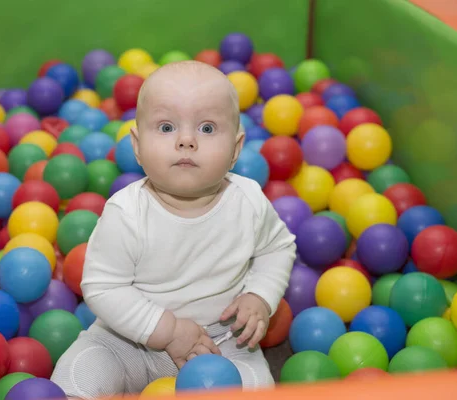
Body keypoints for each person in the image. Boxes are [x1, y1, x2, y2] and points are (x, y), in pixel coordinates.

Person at [51, 60, 297, 399]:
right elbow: (103, 286)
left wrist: (260, 295)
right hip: (127, 344)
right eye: (166, 127)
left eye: (207, 129)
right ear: (136, 146)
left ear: (236, 150)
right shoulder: (127, 212)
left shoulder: (249, 201)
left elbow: (278, 247)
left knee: (255, 386)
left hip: (221, 344)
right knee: (77, 374)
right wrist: (166, 331)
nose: (186, 140)